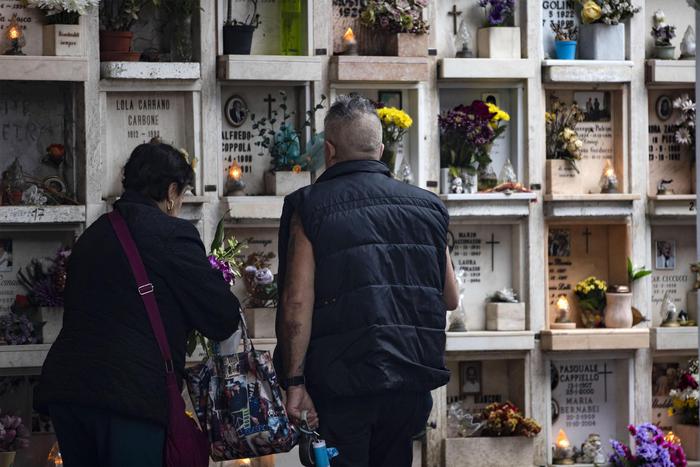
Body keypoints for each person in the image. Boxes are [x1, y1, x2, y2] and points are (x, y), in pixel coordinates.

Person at [275, 95, 460, 467]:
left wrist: (294, 383)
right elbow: (451, 297)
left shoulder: (311, 207)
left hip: (343, 387)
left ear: (329, 150)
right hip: (410, 383)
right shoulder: (428, 207)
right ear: (380, 148)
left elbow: (297, 302)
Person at [38, 142, 241, 467]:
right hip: (129, 401)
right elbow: (222, 316)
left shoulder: (92, 236)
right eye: (183, 193)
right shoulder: (172, 234)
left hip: (70, 395)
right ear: (172, 191)